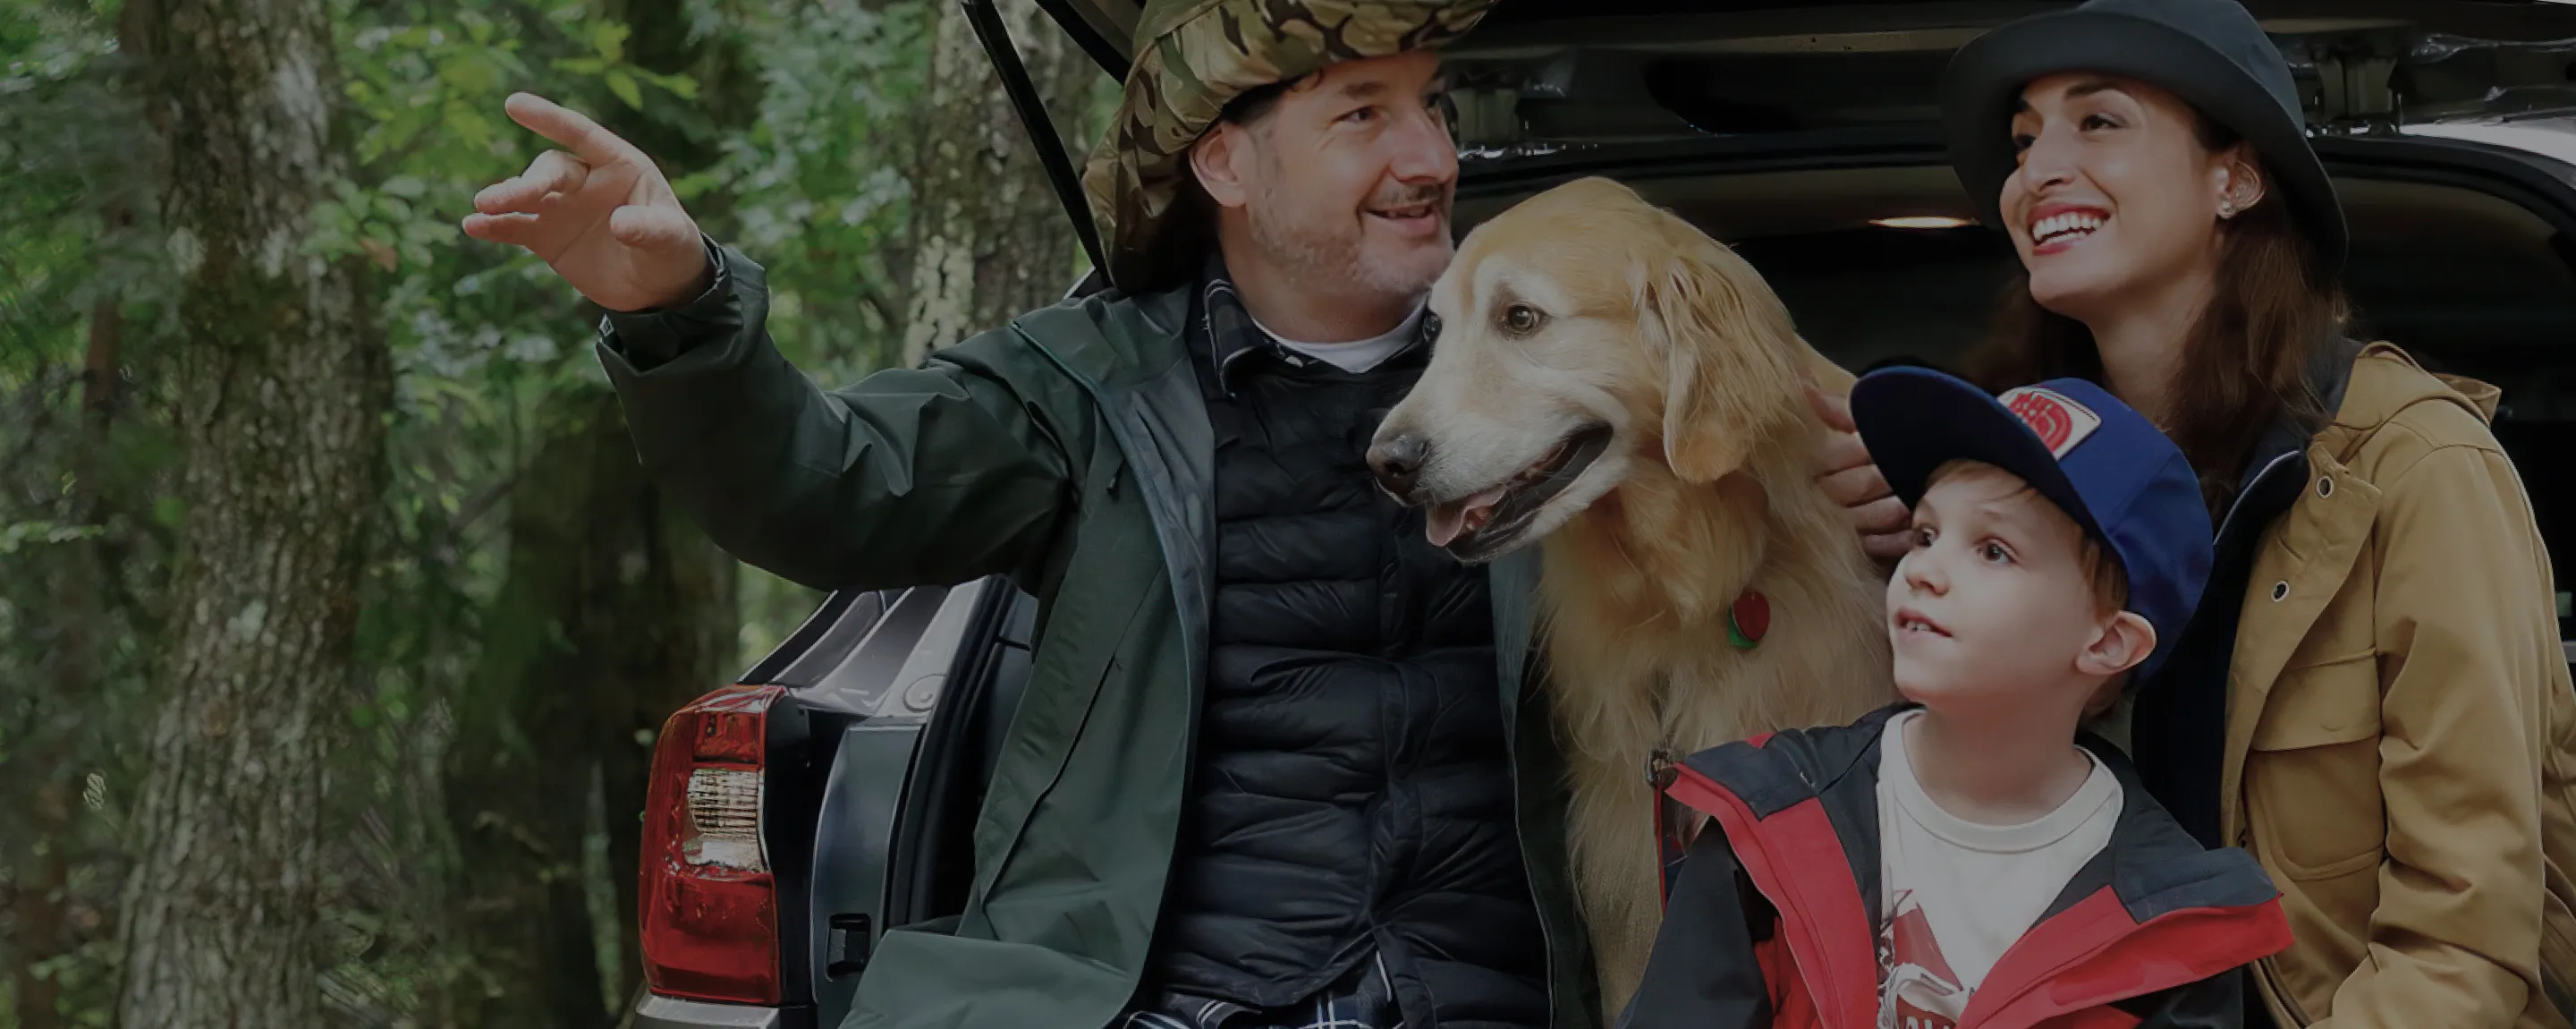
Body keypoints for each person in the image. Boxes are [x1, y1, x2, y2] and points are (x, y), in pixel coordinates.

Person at [454, 1, 1602, 1027]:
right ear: (1226, 165)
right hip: (1162, 1002)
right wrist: (680, 309)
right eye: (1363, 114)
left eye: (1434, 107)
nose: (1431, 156)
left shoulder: (1586, 392)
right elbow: (821, 486)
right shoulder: (1091, 388)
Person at [1808, 0, 2576, 1025]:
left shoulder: (2415, 466)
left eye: (2099, 123)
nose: (2037, 172)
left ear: (2237, 176)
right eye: (2026, 140)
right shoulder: (1996, 474)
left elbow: (2466, 936)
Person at [1623, 366, 2291, 1029]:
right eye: (1926, 533)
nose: (1925, 570)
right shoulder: (1767, 815)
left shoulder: (2179, 917)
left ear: (2108, 643)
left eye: (1994, 551)